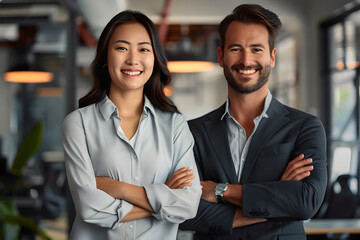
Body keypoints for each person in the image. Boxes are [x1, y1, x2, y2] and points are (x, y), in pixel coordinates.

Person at [179, 4, 327, 240]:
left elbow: (305, 201)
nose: (246, 60)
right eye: (236, 49)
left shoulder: (305, 127)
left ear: (272, 57)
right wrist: (277, 197)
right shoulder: (192, 131)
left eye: (256, 49)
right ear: (221, 56)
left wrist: (220, 191)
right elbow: (183, 212)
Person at [62, 10, 201, 240]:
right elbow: (89, 208)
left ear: (155, 58)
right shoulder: (79, 124)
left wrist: (118, 188)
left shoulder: (174, 125)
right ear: (105, 58)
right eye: (121, 48)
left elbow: (187, 206)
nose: (133, 60)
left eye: (144, 49)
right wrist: (163, 199)